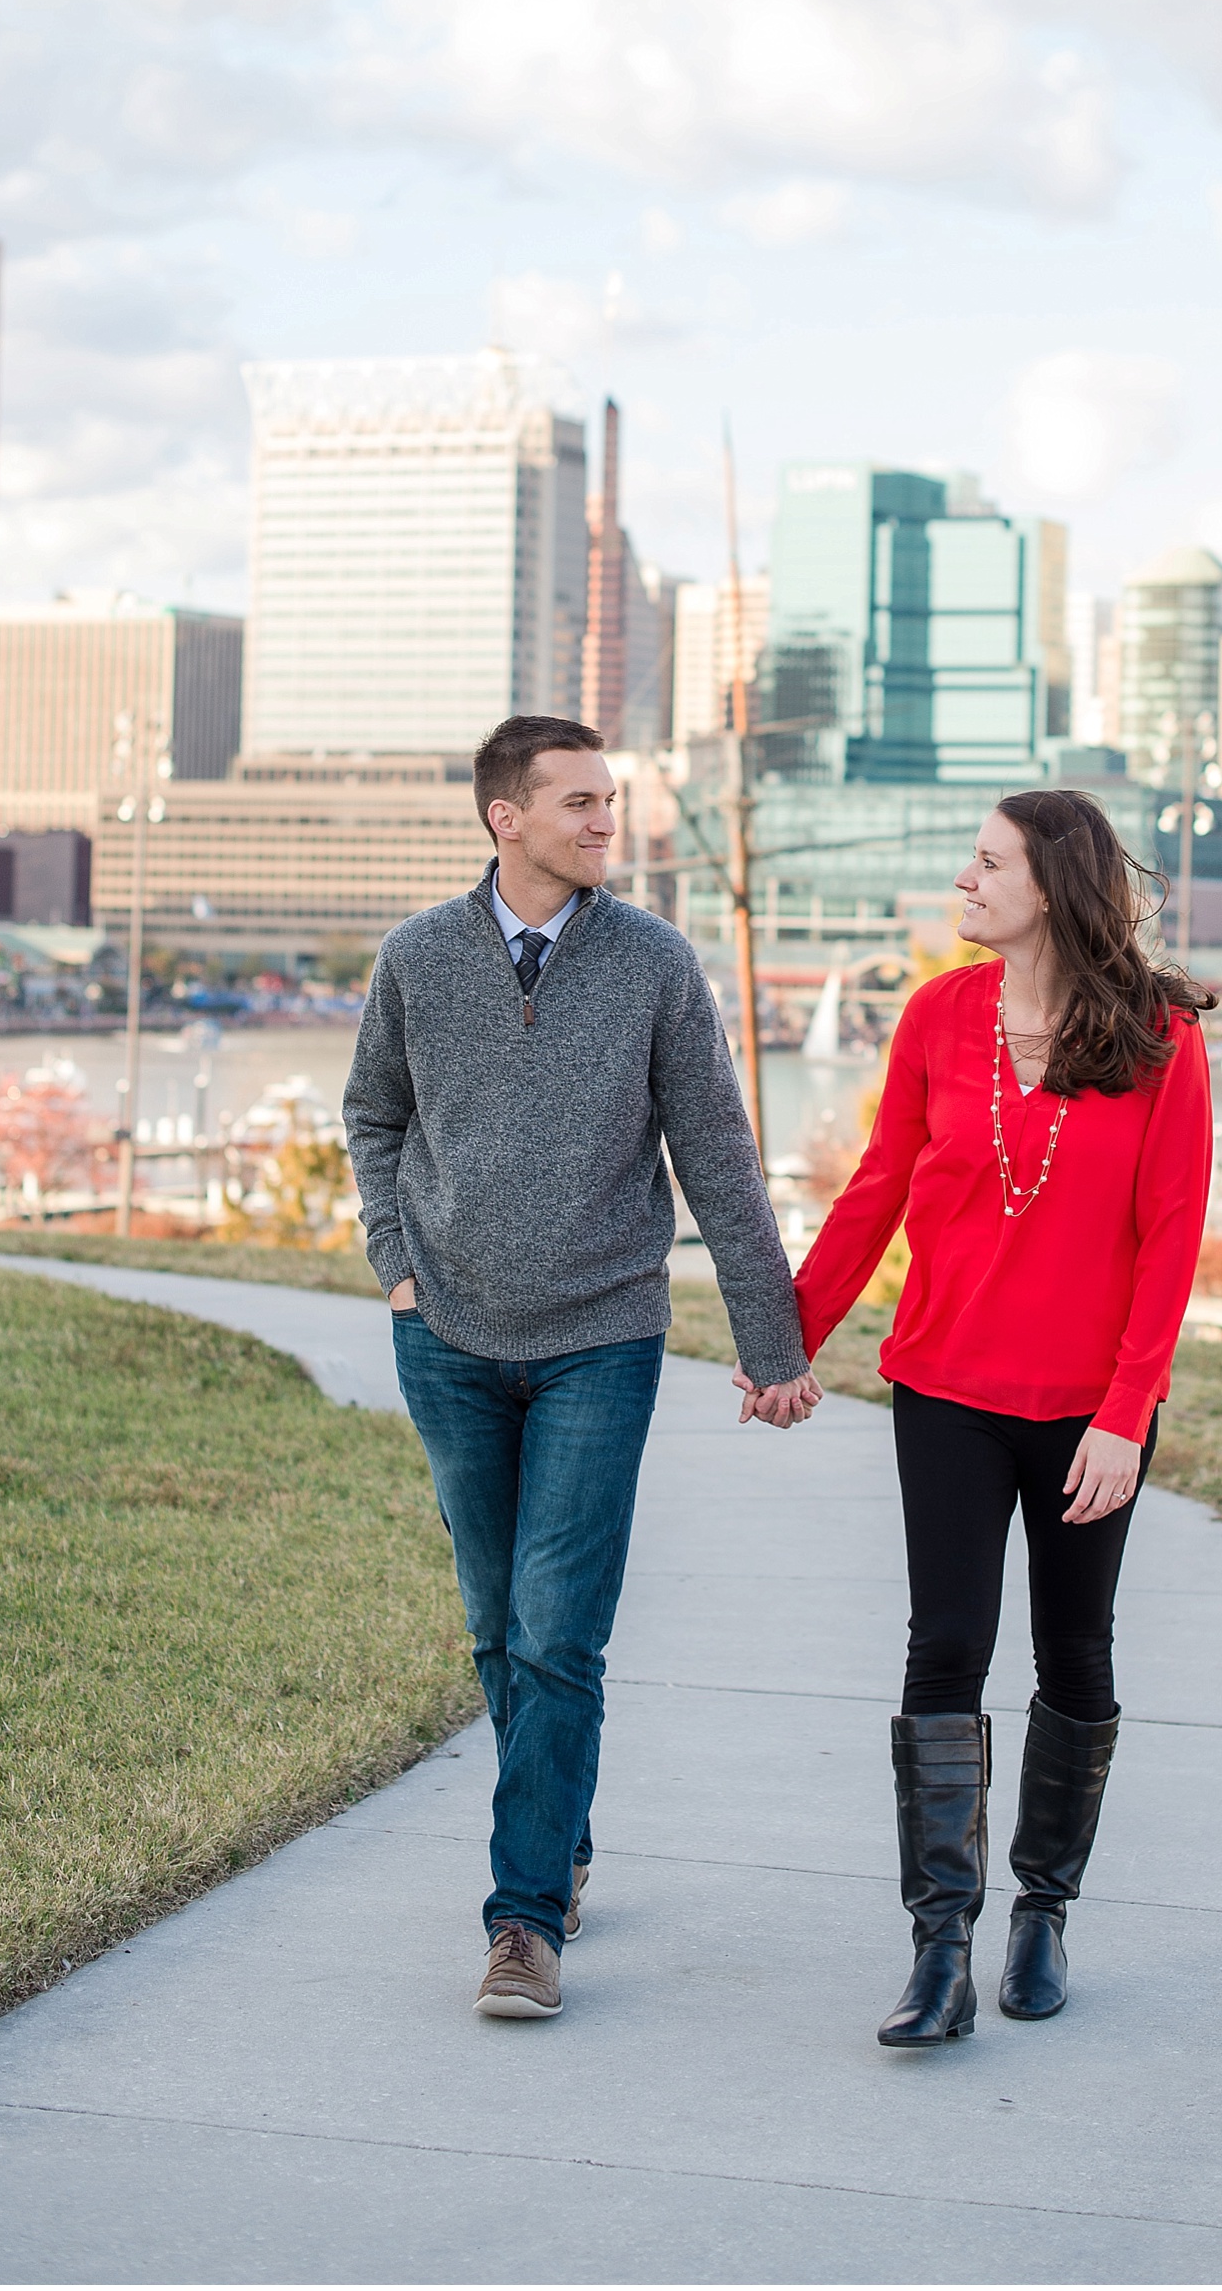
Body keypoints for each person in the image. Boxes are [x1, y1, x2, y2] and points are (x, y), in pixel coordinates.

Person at [344, 712, 821, 2025]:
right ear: (508, 815)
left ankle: (523, 1919)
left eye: (612, 802)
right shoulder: (419, 958)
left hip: (601, 1340)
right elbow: (374, 1114)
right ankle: (560, 1827)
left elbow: (718, 1160)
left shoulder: (658, 964)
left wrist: (770, 1346)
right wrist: (397, 1259)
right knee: (499, 1625)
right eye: (581, 803)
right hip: (444, 1333)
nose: (607, 822)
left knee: (561, 1630)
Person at [791, 788, 1212, 2046]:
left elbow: (1169, 1239)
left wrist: (1126, 1413)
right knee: (945, 1650)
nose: (961, 883)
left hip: (1092, 1410)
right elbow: (877, 1190)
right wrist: (785, 1339)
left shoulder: (1157, 1037)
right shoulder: (936, 1015)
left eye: (985, 864)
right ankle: (938, 1948)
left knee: (1075, 1654)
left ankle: (1043, 1912)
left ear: (1052, 888)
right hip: (946, 1391)